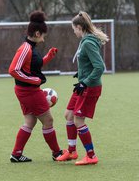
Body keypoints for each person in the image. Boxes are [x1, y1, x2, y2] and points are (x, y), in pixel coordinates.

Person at [8, 10, 64, 163]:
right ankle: (57, 153)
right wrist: (33, 81)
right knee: (48, 120)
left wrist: (48, 57)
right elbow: (13, 70)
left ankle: (16, 154)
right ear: (38, 33)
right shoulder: (25, 48)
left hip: (26, 90)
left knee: (30, 121)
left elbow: (32, 67)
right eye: (44, 35)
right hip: (29, 91)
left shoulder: (31, 48)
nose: (44, 38)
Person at [56, 11, 108, 165]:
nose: (74, 32)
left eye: (74, 29)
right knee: (68, 115)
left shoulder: (88, 42)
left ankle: (91, 156)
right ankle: (72, 151)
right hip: (82, 85)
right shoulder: (85, 41)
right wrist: (80, 73)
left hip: (89, 87)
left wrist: (85, 81)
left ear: (79, 27)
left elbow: (99, 67)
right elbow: (88, 63)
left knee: (79, 121)